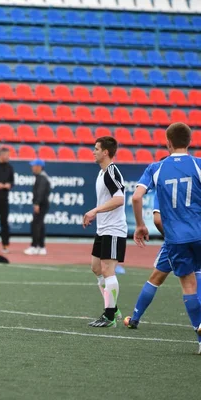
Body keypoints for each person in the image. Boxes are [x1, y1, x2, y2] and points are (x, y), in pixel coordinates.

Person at [132, 122, 201, 353]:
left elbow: (136, 197)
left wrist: (141, 225)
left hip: (176, 239)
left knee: (188, 285)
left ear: (167, 142)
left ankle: (200, 338)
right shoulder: (199, 165)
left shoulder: (156, 168)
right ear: (190, 142)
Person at [82, 136, 127, 328]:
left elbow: (119, 199)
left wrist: (95, 210)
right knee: (96, 268)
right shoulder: (102, 173)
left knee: (108, 270)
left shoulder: (111, 172)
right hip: (103, 229)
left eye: (96, 149)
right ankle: (113, 307)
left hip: (114, 230)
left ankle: (109, 316)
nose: (94, 152)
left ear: (106, 152)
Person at [124, 193, 173, 329]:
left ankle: (134, 319)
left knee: (155, 278)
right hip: (196, 237)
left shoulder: (164, 180)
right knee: (195, 278)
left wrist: (170, 237)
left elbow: (157, 220)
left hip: (175, 239)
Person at [24, 159, 51, 256]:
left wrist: (37, 204)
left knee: (36, 225)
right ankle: (41, 246)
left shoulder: (42, 178)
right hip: (42, 204)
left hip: (41, 204)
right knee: (39, 224)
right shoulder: (40, 177)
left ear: (39, 167)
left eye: (34, 165)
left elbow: (41, 192)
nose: (32, 167)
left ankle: (35, 246)